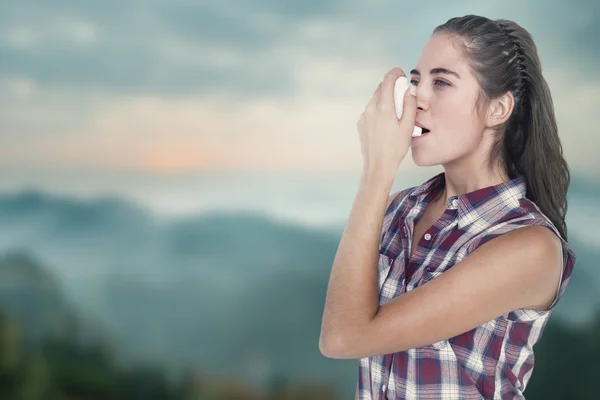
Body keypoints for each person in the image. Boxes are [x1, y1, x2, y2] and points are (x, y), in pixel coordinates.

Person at [319, 14, 577, 399]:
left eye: (441, 82)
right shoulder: (397, 210)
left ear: (498, 110)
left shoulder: (527, 245)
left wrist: (377, 169)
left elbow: (343, 338)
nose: (416, 97)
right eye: (417, 80)